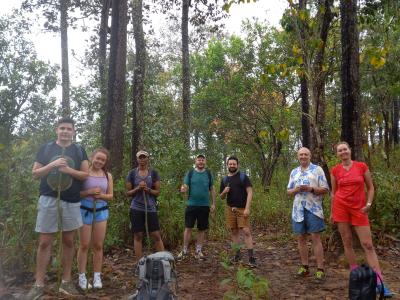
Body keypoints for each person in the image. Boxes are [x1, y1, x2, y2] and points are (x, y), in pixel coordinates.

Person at [27, 117, 89, 299]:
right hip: (48, 199)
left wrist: (68, 170)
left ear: (73, 131)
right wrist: (53, 165)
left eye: (68, 129)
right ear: (56, 130)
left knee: (69, 241)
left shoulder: (79, 150)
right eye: (62, 128)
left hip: (71, 200)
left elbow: (85, 174)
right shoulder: (46, 149)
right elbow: (35, 174)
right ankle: (39, 284)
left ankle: (66, 282)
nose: (65, 131)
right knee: (45, 242)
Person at [331, 141, 392, 297]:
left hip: (359, 208)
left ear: (350, 150)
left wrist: (369, 203)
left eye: (345, 149)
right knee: (347, 241)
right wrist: (332, 211)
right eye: (340, 151)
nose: (343, 152)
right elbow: (334, 192)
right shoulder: (335, 170)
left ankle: (380, 283)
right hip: (340, 207)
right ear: (337, 154)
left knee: (368, 244)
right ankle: (355, 275)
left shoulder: (361, 166)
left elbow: (370, 187)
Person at [287, 147, 329, 280]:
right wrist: (295, 190)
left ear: (310, 156)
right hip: (298, 209)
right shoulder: (294, 172)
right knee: (301, 238)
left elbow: (325, 189)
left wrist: (311, 188)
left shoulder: (317, 169)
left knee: (315, 237)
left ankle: (320, 269)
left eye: (306, 154)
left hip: (314, 208)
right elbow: (288, 191)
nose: (303, 156)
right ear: (298, 157)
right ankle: (304, 267)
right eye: (301, 155)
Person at [77, 148, 113, 290]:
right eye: (98, 158)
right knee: (84, 245)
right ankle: (82, 276)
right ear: (92, 157)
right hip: (84, 210)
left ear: (105, 162)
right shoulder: (84, 173)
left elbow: (110, 195)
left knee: (98, 245)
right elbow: (77, 193)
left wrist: (101, 196)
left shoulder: (107, 175)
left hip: (101, 211)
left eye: (103, 160)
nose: (99, 161)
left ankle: (97, 275)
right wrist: (89, 192)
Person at [126, 150, 164, 259]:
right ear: (137, 159)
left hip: (150, 207)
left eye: (144, 157)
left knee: (156, 234)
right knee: (138, 235)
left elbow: (157, 192)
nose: (142, 160)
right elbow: (128, 193)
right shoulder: (132, 173)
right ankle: (139, 263)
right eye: (140, 157)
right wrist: (138, 188)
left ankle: (163, 261)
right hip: (136, 208)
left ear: (148, 159)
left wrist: (148, 190)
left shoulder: (154, 173)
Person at [220, 156, 256, 267]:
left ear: (237, 165)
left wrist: (247, 208)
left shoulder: (243, 177)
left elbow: (250, 192)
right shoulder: (224, 179)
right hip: (230, 209)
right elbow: (221, 197)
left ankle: (251, 258)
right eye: (230, 164)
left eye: (234, 164)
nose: (232, 165)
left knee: (246, 231)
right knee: (234, 232)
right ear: (227, 165)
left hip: (242, 209)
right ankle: (237, 255)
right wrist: (224, 192)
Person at [177, 154, 216, 260]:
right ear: (195, 161)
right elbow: (185, 185)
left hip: (204, 206)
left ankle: (198, 251)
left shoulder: (208, 174)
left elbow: (212, 189)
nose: (201, 162)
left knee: (201, 229)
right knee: (188, 227)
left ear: (205, 162)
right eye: (199, 160)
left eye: (202, 160)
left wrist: (213, 203)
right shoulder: (190, 173)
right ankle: (184, 250)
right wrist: (183, 188)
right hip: (191, 205)